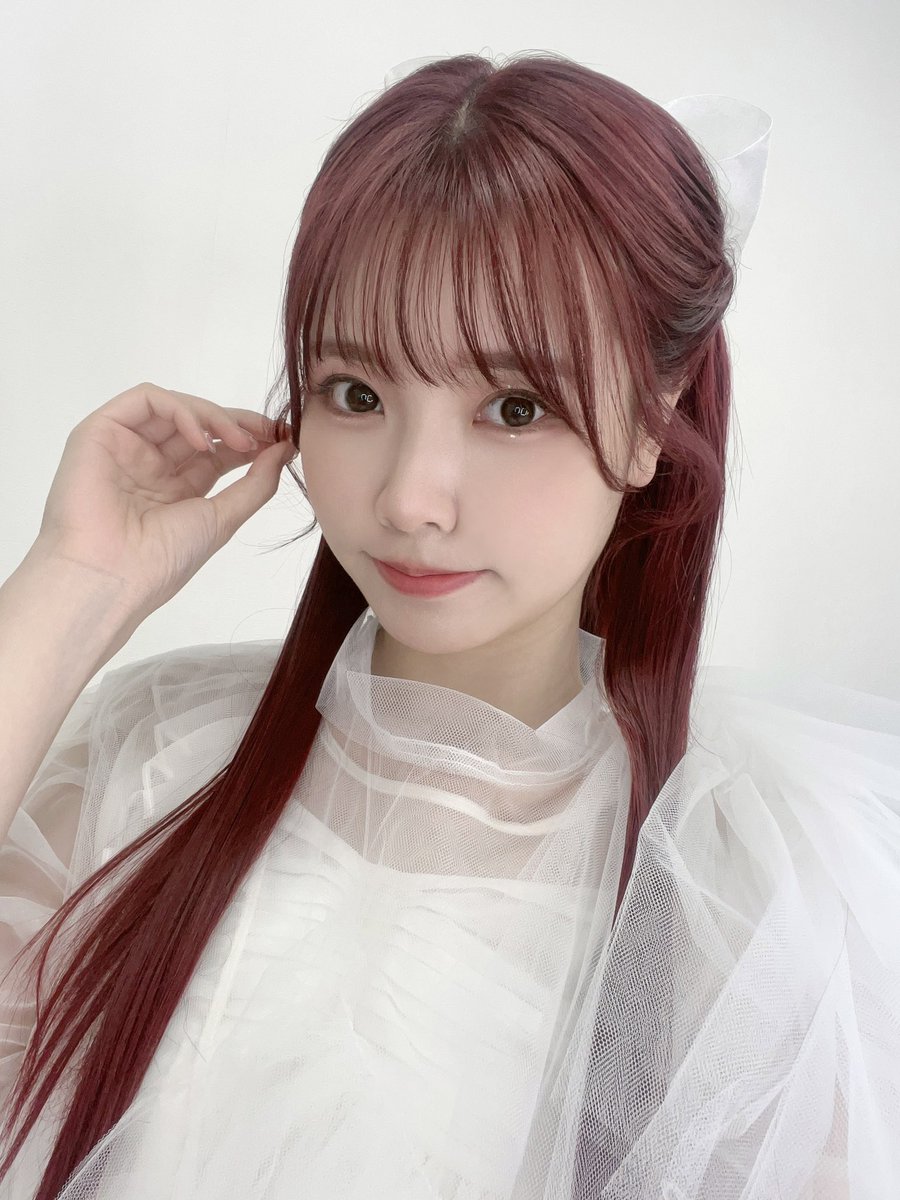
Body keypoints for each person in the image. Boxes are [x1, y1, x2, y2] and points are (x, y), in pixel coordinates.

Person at [0, 52, 897, 1200]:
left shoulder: (749, 902)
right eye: (357, 394)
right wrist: (71, 587)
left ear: (650, 418)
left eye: (513, 407)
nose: (411, 498)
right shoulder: (151, 769)